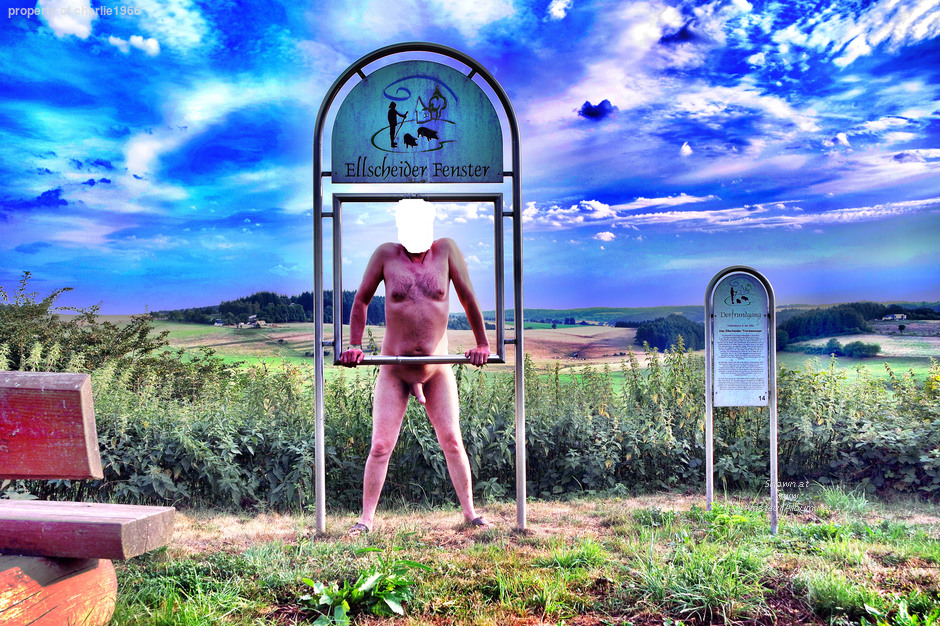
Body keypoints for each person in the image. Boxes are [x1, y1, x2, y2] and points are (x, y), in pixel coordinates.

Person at [339, 199, 491, 536]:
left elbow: (467, 297)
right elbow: (362, 299)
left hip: (436, 368)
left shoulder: (446, 250)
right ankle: (365, 520)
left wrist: (482, 344)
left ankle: (471, 514)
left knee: (452, 440)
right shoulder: (385, 255)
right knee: (381, 445)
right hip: (394, 369)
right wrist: (354, 344)